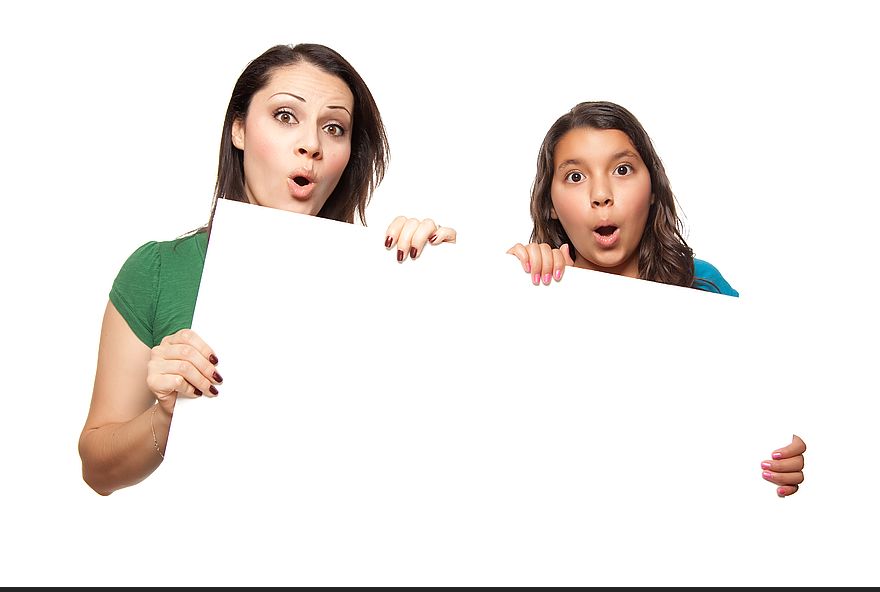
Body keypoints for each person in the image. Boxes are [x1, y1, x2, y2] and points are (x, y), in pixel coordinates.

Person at [79, 44, 456, 495]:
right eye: (284, 116)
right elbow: (97, 471)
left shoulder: (394, 274)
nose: (311, 145)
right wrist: (166, 411)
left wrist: (446, 281)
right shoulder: (161, 270)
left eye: (333, 128)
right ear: (238, 129)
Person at [507, 101, 805, 497]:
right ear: (550, 204)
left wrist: (780, 456)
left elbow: (740, 417)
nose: (601, 194)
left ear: (652, 190)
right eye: (576, 176)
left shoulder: (704, 287)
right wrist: (512, 286)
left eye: (622, 170)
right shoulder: (523, 289)